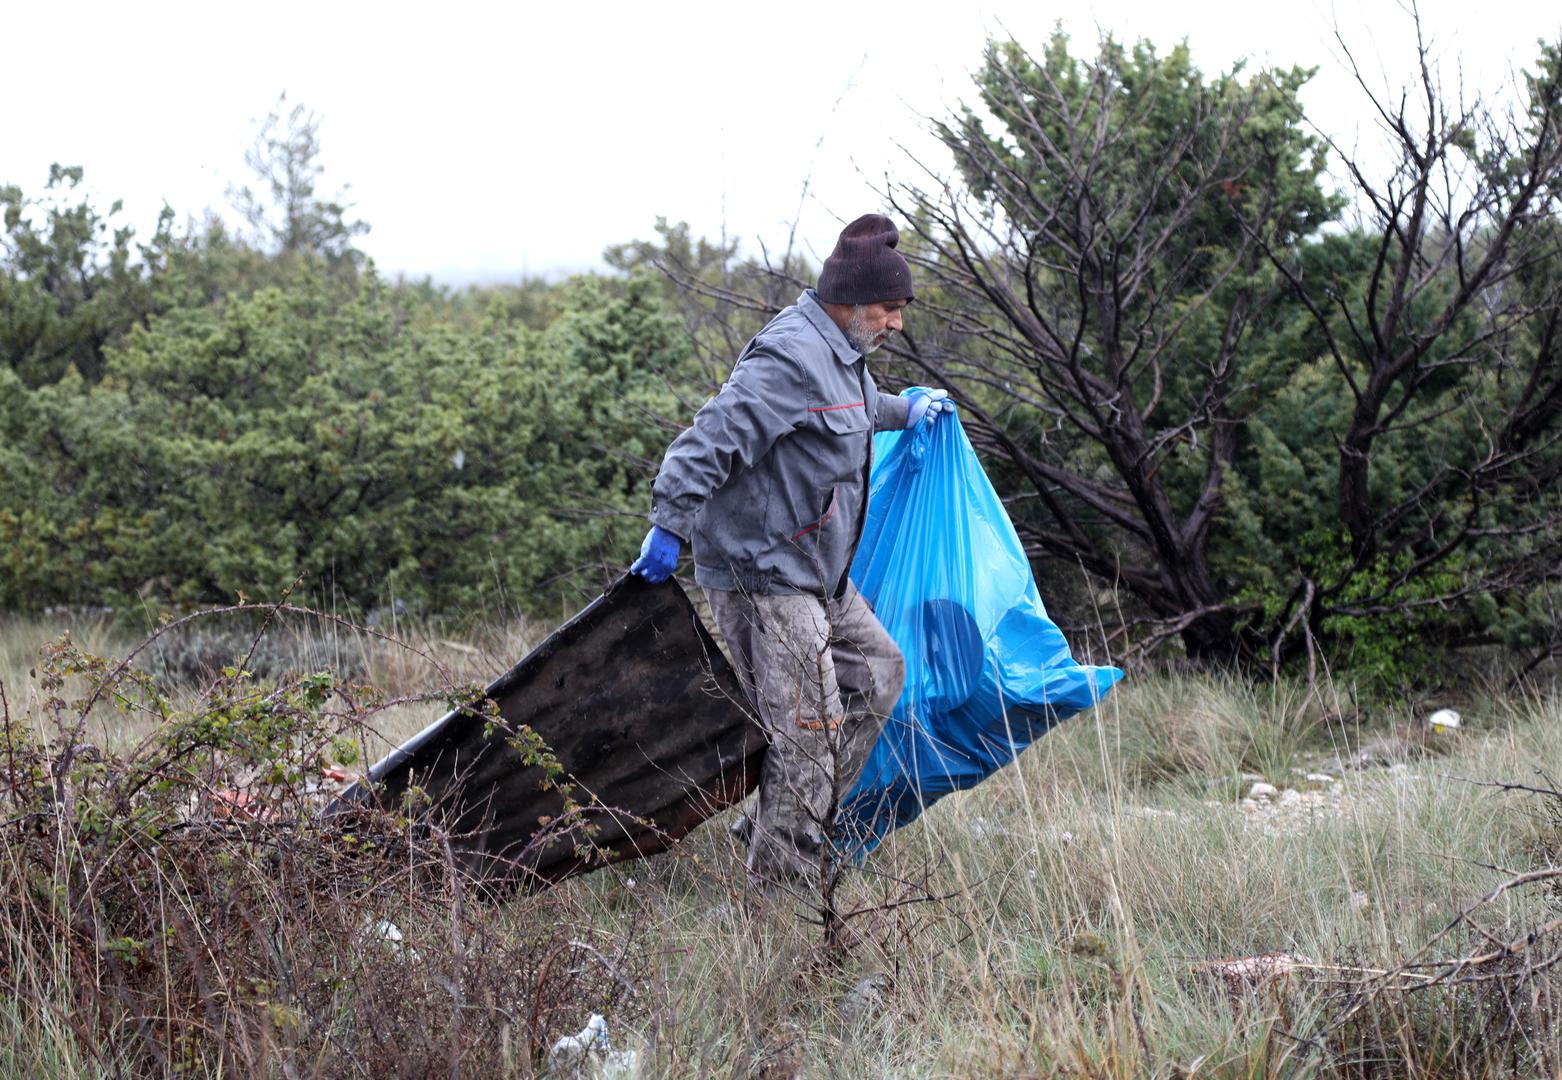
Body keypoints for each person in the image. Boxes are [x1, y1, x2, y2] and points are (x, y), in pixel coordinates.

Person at [628, 213, 951, 895]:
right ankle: (781, 898)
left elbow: (853, 409)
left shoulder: (841, 353)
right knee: (808, 729)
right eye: (889, 309)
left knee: (879, 674)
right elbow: (711, 438)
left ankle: (776, 826)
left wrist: (907, 410)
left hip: (816, 570)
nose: (897, 323)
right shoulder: (789, 357)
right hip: (766, 573)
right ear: (851, 300)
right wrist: (669, 524)